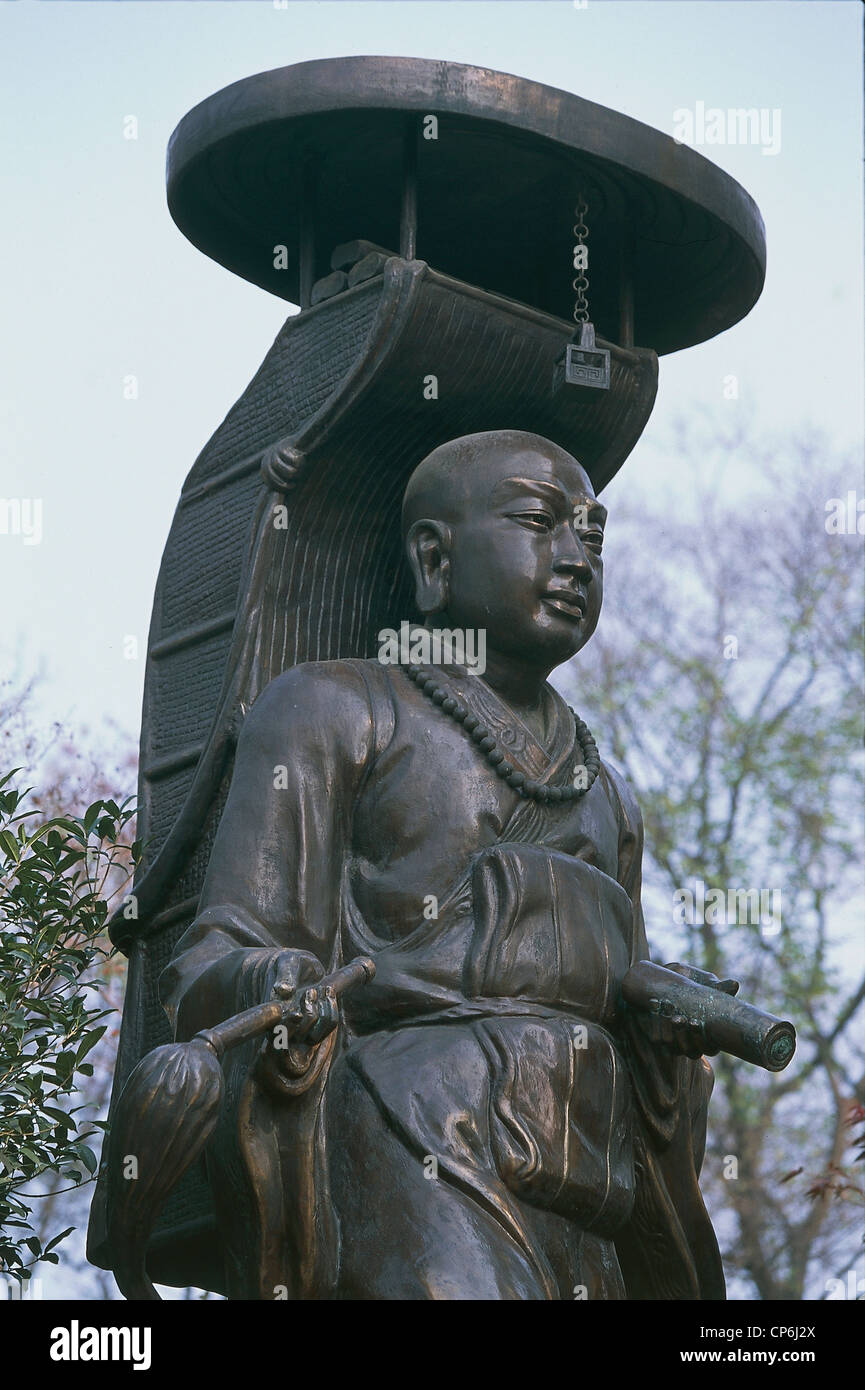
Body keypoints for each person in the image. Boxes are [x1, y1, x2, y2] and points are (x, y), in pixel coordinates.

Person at [160, 429, 725, 1300]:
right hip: (415, 1136)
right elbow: (216, 952)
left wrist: (664, 1031)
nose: (576, 557)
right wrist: (272, 981)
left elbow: (623, 1002)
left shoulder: (608, 792)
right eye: (540, 523)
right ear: (433, 557)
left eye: (592, 535)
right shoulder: (335, 708)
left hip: (589, 1162)